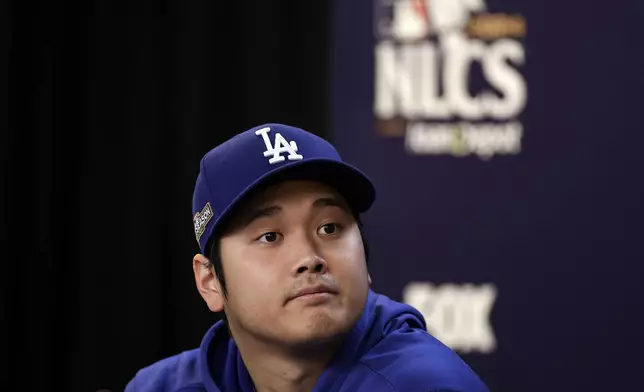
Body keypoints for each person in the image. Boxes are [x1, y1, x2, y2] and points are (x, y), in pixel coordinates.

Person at [124, 123, 490, 392]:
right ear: (210, 281)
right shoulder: (159, 387)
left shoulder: (423, 384)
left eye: (329, 228)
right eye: (270, 236)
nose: (310, 257)